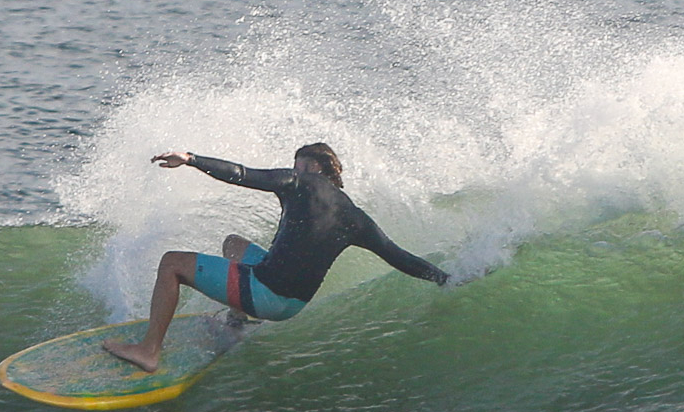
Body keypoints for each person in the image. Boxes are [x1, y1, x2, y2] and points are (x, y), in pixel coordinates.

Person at [102, 142, 449, 372]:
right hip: (291, 306)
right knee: (234, 244)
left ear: (310, 165)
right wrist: (445, 278)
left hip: (264, 294)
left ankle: (148, 351)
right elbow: (399, 257)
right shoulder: (355, 217)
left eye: (296, 163)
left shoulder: (299, 180)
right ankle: (236, 324)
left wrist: (192, 160)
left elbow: (241, 173)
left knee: (172, 263)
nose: (291, 168)